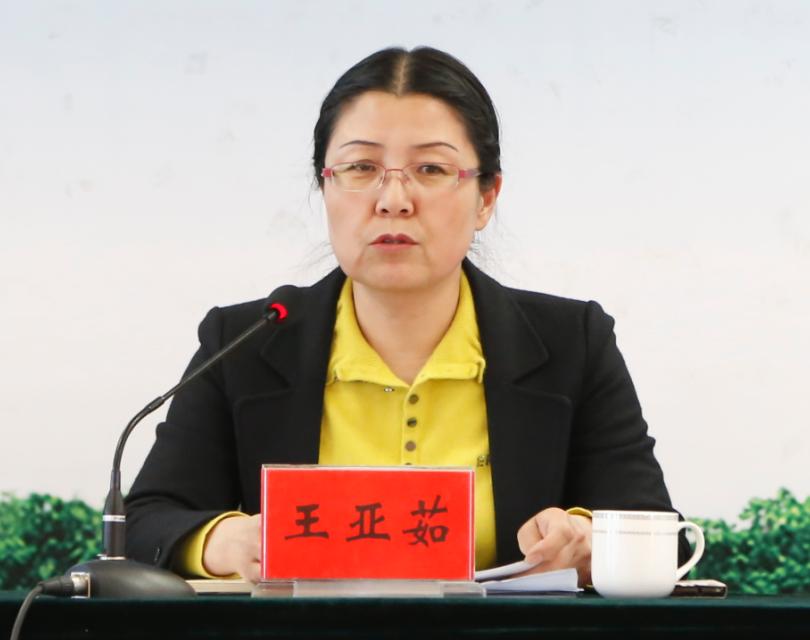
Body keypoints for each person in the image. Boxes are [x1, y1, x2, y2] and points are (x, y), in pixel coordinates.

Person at [124, 46, 687, 587]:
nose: (393, 199)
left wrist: (586, 541)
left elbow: (662, 530)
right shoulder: (244, 342)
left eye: (431, 168)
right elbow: (145, 522)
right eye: (361, 167)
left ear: (487, 197)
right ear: (324, 186)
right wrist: (227, 542)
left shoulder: (571, 343)